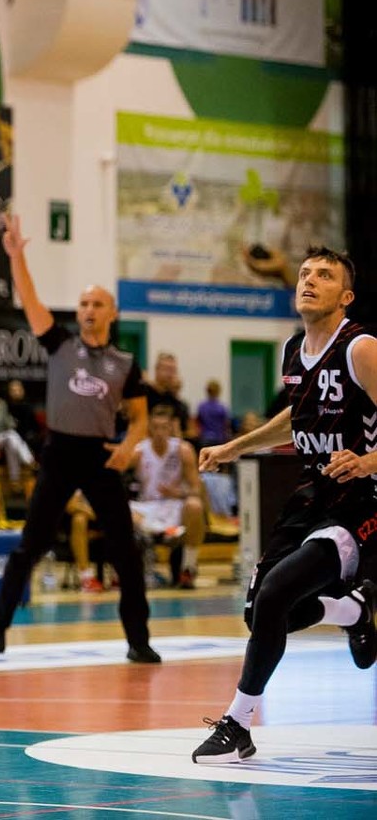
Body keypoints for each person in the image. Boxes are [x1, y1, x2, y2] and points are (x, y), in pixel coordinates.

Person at [192, 247, 377, 764]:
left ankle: (237, 722)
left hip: (359, 501)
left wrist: (367, 461)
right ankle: (353, 610)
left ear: (346, 296)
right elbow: (297, 419)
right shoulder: (294, 350)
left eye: (324, 275)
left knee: (275, 593)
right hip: (311, 494)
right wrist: (234, 446)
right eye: (304, 274)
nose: (309, 280)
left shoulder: (361, 348)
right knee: (261, 614)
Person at [0, 215, 157, 663]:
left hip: (100, 457)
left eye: (97, 304)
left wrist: (128, 446)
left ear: (112, 313)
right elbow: (29, 299)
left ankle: (139, 641)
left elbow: (140, 418)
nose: (88, 310)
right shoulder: (59, 343)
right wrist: (16, 257)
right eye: (83, 304)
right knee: (31, 543)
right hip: (59, 452)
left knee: (125, 549)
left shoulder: (125, 363)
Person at [127, 407, 206, 589]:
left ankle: (188, 568)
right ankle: (131, 572)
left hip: (174, 507)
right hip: (147, 508)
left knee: (195, 505)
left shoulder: (183, 450)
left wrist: (178, 493)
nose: (160, 432)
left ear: (171, 428)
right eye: (156, 427)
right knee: (122, 511)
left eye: (164, 427)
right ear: (149, 428)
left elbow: (196, 489)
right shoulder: (139, 451)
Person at [197, 379, 232, 448]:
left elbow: (198, 423)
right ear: (218, 391)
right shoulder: (221, 407)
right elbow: (226, 425)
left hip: (205, 438)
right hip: (219, 438)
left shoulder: (202, 406)